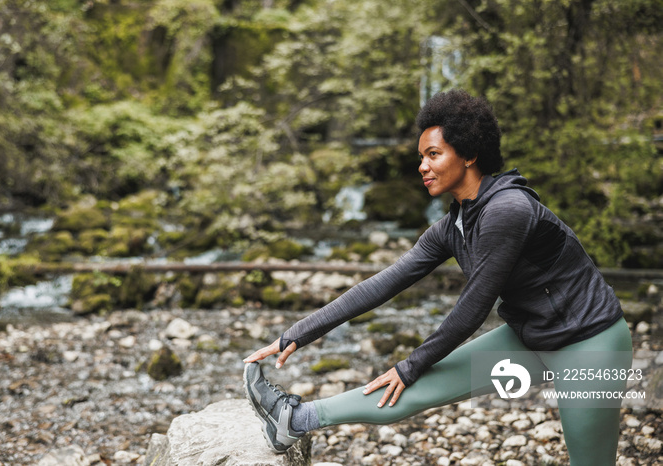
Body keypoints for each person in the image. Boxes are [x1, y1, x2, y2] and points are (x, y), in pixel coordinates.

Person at [243, 89, 632, 465]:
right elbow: (383, 283)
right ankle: (293, 421)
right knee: (409, 391)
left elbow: (475, 306)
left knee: (590, 461)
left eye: (433, 154)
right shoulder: (453, 225)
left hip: (590, 343)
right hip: (531, 336)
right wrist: (295, 334)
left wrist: (409, 364)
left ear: (469, 155)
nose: (422, 166)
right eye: (421, 156)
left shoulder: (508, 210)